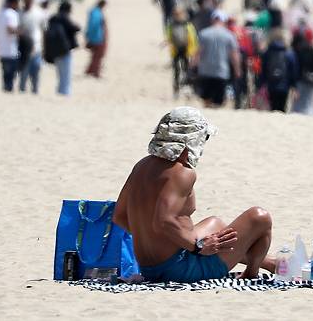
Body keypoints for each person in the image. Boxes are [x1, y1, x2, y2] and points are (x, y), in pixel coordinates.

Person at [113, 107, 274, 283]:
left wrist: (151, 238)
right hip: (180, 269)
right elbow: (164, 220)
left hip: (149, 268)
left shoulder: (141, 166)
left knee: (216, 224)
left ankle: (268, 262)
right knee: (260, 217)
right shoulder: (182, 173)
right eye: (204, 137)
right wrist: (197, 247)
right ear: (190, 140)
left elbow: (119, 216)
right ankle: (251, 273)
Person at [195, 10, 240, 108]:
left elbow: (198, 52)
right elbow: (234, 55)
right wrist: (237, 70)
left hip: (205, 71)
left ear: (212, 20)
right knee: (218, 102)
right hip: (222, 72)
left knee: (206, 100)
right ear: (224, 21)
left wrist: (193, 66)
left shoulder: (204, 33)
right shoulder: (229, 35)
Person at [46, 0, 80, 96]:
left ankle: (60, 92)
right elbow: (76, 28)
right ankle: (64, 94)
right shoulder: (65, 18)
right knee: (66, 76)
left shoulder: (53, 19)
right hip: (65, 50)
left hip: (54, 51)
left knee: (60, 75)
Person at [260, 30, 297, 112]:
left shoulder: (267, 52)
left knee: (273, 106)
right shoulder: (289, 53)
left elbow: (263, 69)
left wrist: (262, 83)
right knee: (282, 106)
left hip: (271, 84)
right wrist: (294, 86)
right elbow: (293, 70)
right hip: (284, 85)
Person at [166, 8, 198, 97]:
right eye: (176, 14)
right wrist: (168, 43)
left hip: (186, 50)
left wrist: (193, 51)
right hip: (176, 50)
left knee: (187, 70)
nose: (178, 16)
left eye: (179, 14)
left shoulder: (187, 25)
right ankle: (176, 90)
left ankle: (188, 88)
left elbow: (193, 38)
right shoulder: (172, 25)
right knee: (176, 71)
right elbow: (169, 36)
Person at [19, 0, 46, 94]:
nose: (29, 1)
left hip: (37, 48)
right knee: (23, 73)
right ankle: (22, 92)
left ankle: (35, 92)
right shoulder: (19, 13)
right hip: (23, 49)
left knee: (36, 73)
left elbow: (44, 30)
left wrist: (45, 49)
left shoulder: (39, 12)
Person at [0, 0, 21, 92]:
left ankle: (6, 89)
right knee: (10, 76)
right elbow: (10, 29)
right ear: (14, 3)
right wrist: (21, 32)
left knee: (6, 75)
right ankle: (8, 90)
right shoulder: (11, 14)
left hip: (1, 49)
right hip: (10, 50)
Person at [291, 32, 313, 115]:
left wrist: (294, 82)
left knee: (299, 101)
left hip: (301, 78)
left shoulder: (297, 50)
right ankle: (310, 114)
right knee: (309, 100)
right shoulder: (312, 49)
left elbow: (297, 67)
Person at [85, 0, 108, 78]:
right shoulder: (97, 13)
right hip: (97, 37)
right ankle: (95, 72)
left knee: (95, 55)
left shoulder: (94, 11)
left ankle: (90, 71)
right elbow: (94, 25)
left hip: (95, 37)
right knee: (98, 55)